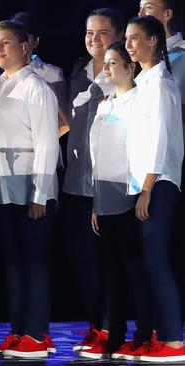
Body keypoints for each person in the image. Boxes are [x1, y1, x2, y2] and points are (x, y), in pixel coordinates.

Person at [111, 15, 185, 362]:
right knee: (142, 263)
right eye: (127, 38)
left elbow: (158, 141)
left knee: (156, 260)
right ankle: (150, 333)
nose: (129, 45)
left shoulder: (160, 84)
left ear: (154, 41)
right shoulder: (144, 83)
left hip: (157, 184)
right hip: (140, 182)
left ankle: (172, 339)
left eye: (136, 38)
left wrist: (147, 189)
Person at [0, 20, 59, 358]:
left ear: (24, 47)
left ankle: (37, 332)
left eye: (6, 43)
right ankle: (17, 330)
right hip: (4, 186)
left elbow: (47, 142)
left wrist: (40, 193)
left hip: (32, 186)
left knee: (34, 262)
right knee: (13, 263)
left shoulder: (36, 86)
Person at [62, 7, 125, 357]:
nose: (94, 39)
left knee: (109, 261)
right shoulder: (78, 74)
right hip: (76, 184)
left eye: (102, 33)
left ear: (117, 37)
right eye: (90, 32)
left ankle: (111, 328)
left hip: (110, 185)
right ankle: (96, 325)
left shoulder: (125, 75)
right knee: (83, 260)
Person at [86, 42, 138, 360]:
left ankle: (143, 332)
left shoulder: (138, 102)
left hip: (127, 195)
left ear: (130, 67)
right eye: (105, 63)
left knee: (132, 270)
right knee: (111, 270)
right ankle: (113, 333)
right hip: (104, 196)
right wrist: (95, 201)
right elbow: (97, 153)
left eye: (114, 63)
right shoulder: (105, 104)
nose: (107, 68)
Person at [0, 11, 69, 134]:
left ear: (35, 41)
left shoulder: (52, 73)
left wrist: (34, 139)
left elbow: (66, 121)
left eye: (25, 36)